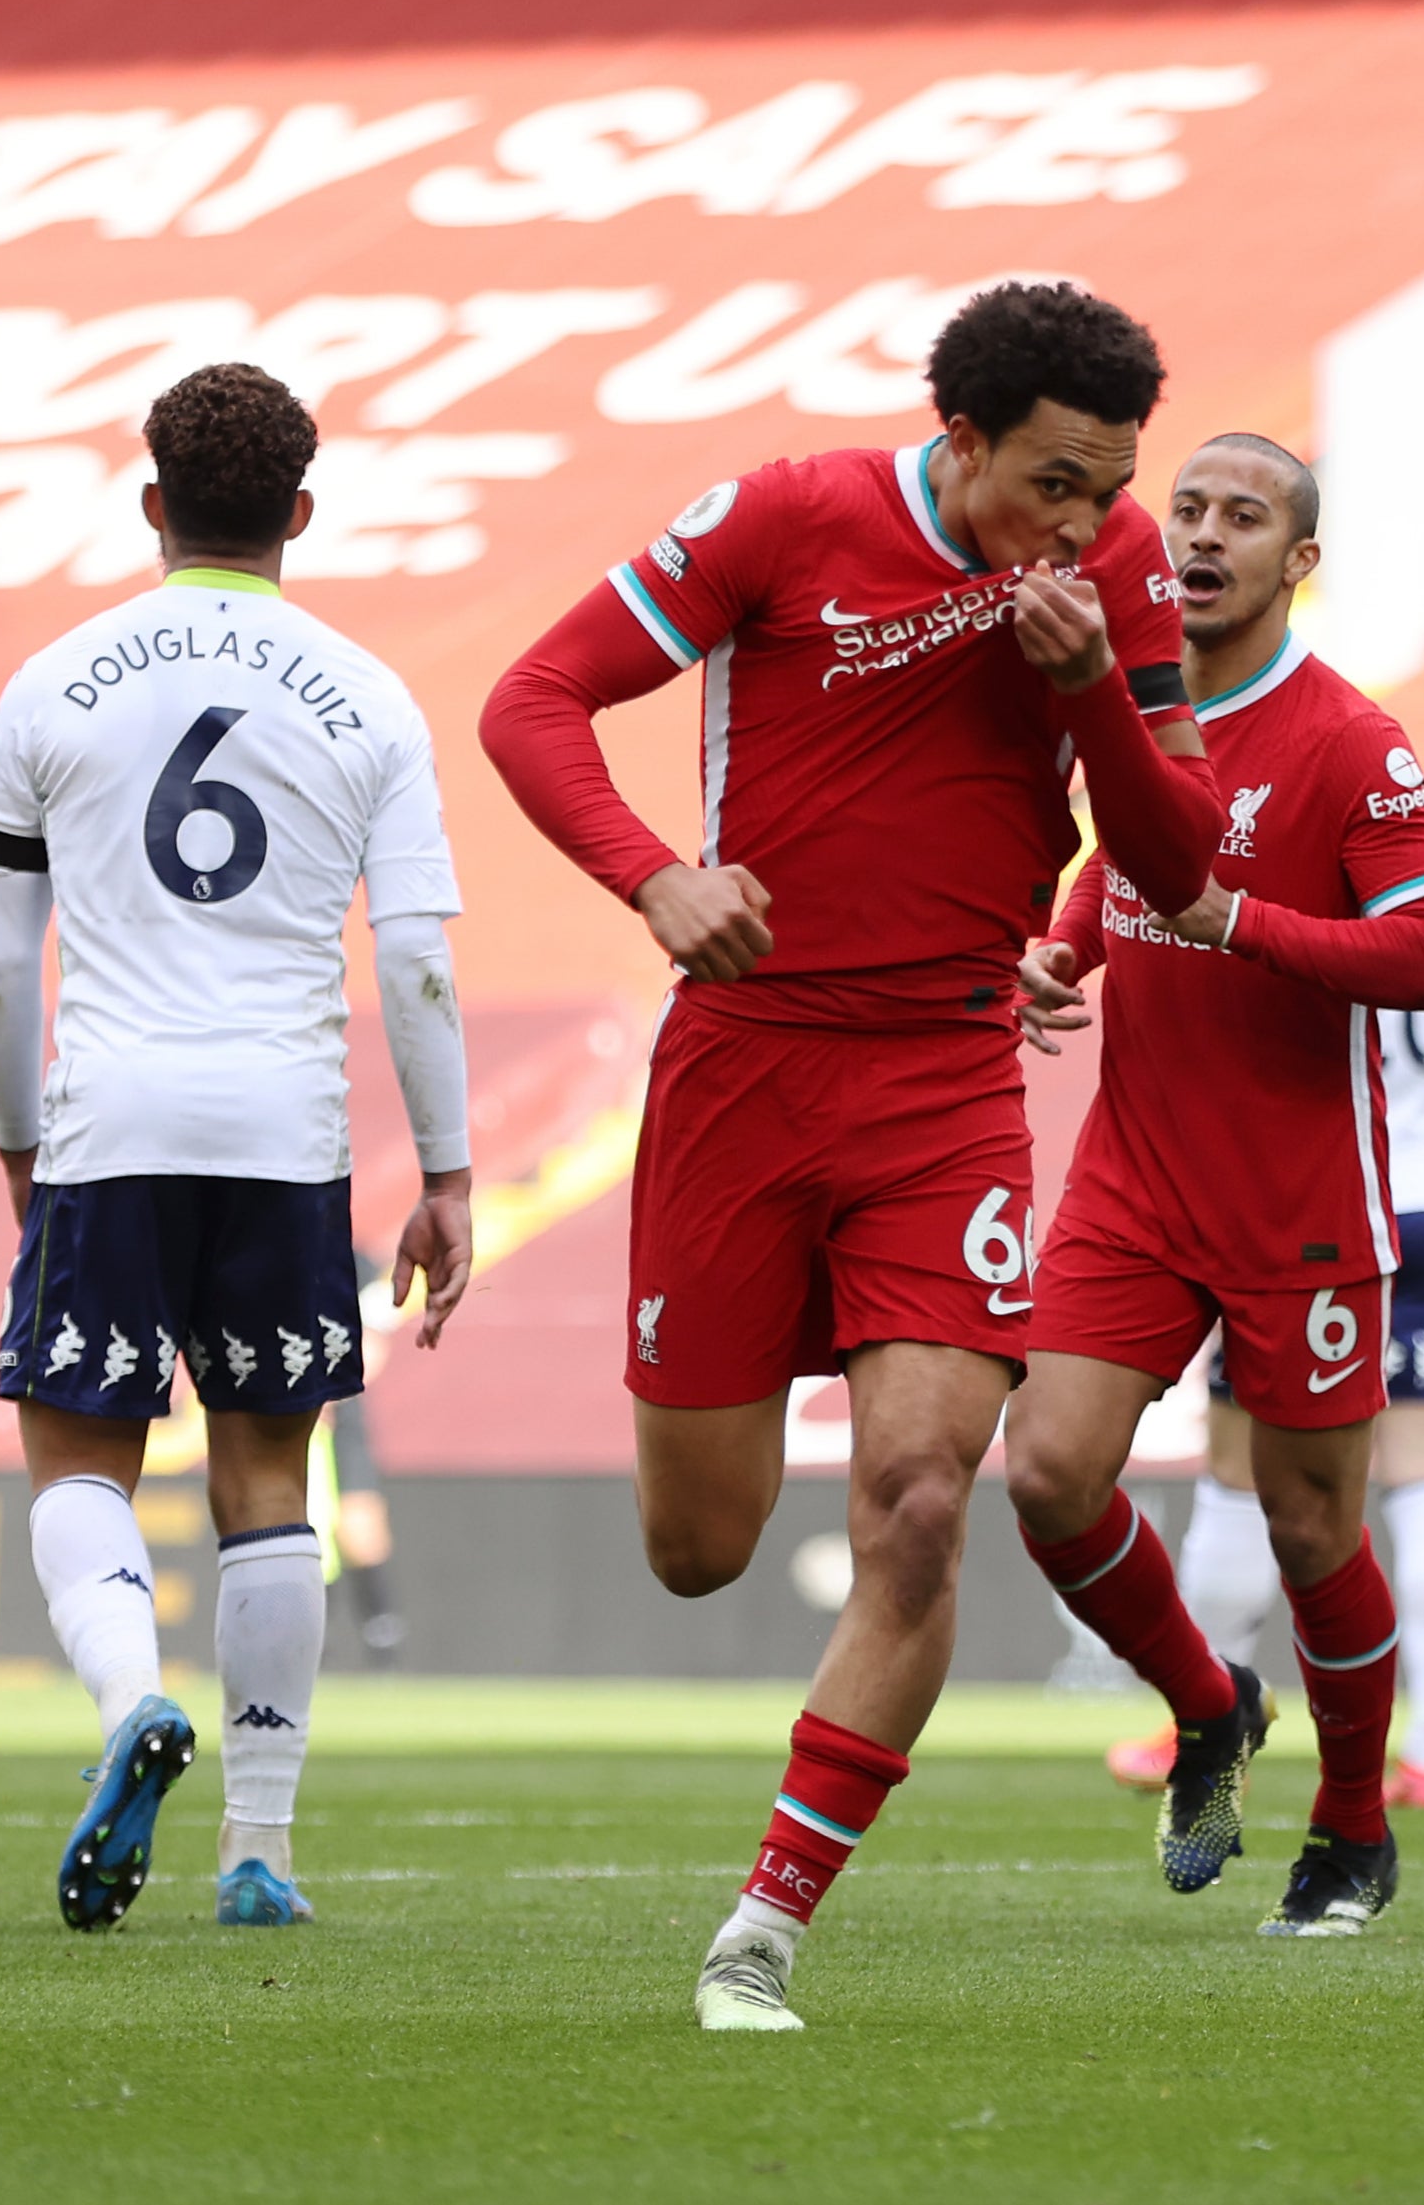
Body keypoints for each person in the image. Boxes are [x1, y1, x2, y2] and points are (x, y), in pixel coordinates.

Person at [478, 282, 1221, 2031]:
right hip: (742, 1069)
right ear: (958, 444)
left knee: (919, 1499)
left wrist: (1097, 694)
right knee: (699, 1546)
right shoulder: (783, 514)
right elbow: (533, 701)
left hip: (947, 1077)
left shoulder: (1107, 583)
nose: (1092, 522)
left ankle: (768, 1926)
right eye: (1054, 481)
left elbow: (1180, 859)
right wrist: (657, 875)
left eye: (1112, 485)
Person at [0, 363, 474, 1932]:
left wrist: (15, 1139)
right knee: (270, 1477)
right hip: (283, 1128)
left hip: (109, 1117)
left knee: (76, 1459)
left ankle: (131, 1699)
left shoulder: (51, 682)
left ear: (150, 506)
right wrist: (446, 1171)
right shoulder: (370, 695)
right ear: (300, 512)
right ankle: (256, 1850)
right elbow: (414, 962)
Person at [1007, 434, 1424, 1937]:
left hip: (1298, 1200)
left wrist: (1239, 920)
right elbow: (1119, 859)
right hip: (1132, 1180)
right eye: (1187, 509)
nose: (1201, 536)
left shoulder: (1347, 739)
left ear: (1296, 562)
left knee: (1310, 1529)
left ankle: (1349, 1831)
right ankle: (1210, 1703)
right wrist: (1062, 949)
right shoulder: (1132, 709)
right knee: (1044, 1474)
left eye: (1241, 517)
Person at [1105, 904, 1424, 1809]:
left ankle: (1201, 1721)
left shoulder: (1283, 892)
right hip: (1417, 1202)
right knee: (1422, 1466)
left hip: (1305, 1207)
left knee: (1239, 1464)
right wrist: (1417, 1159)